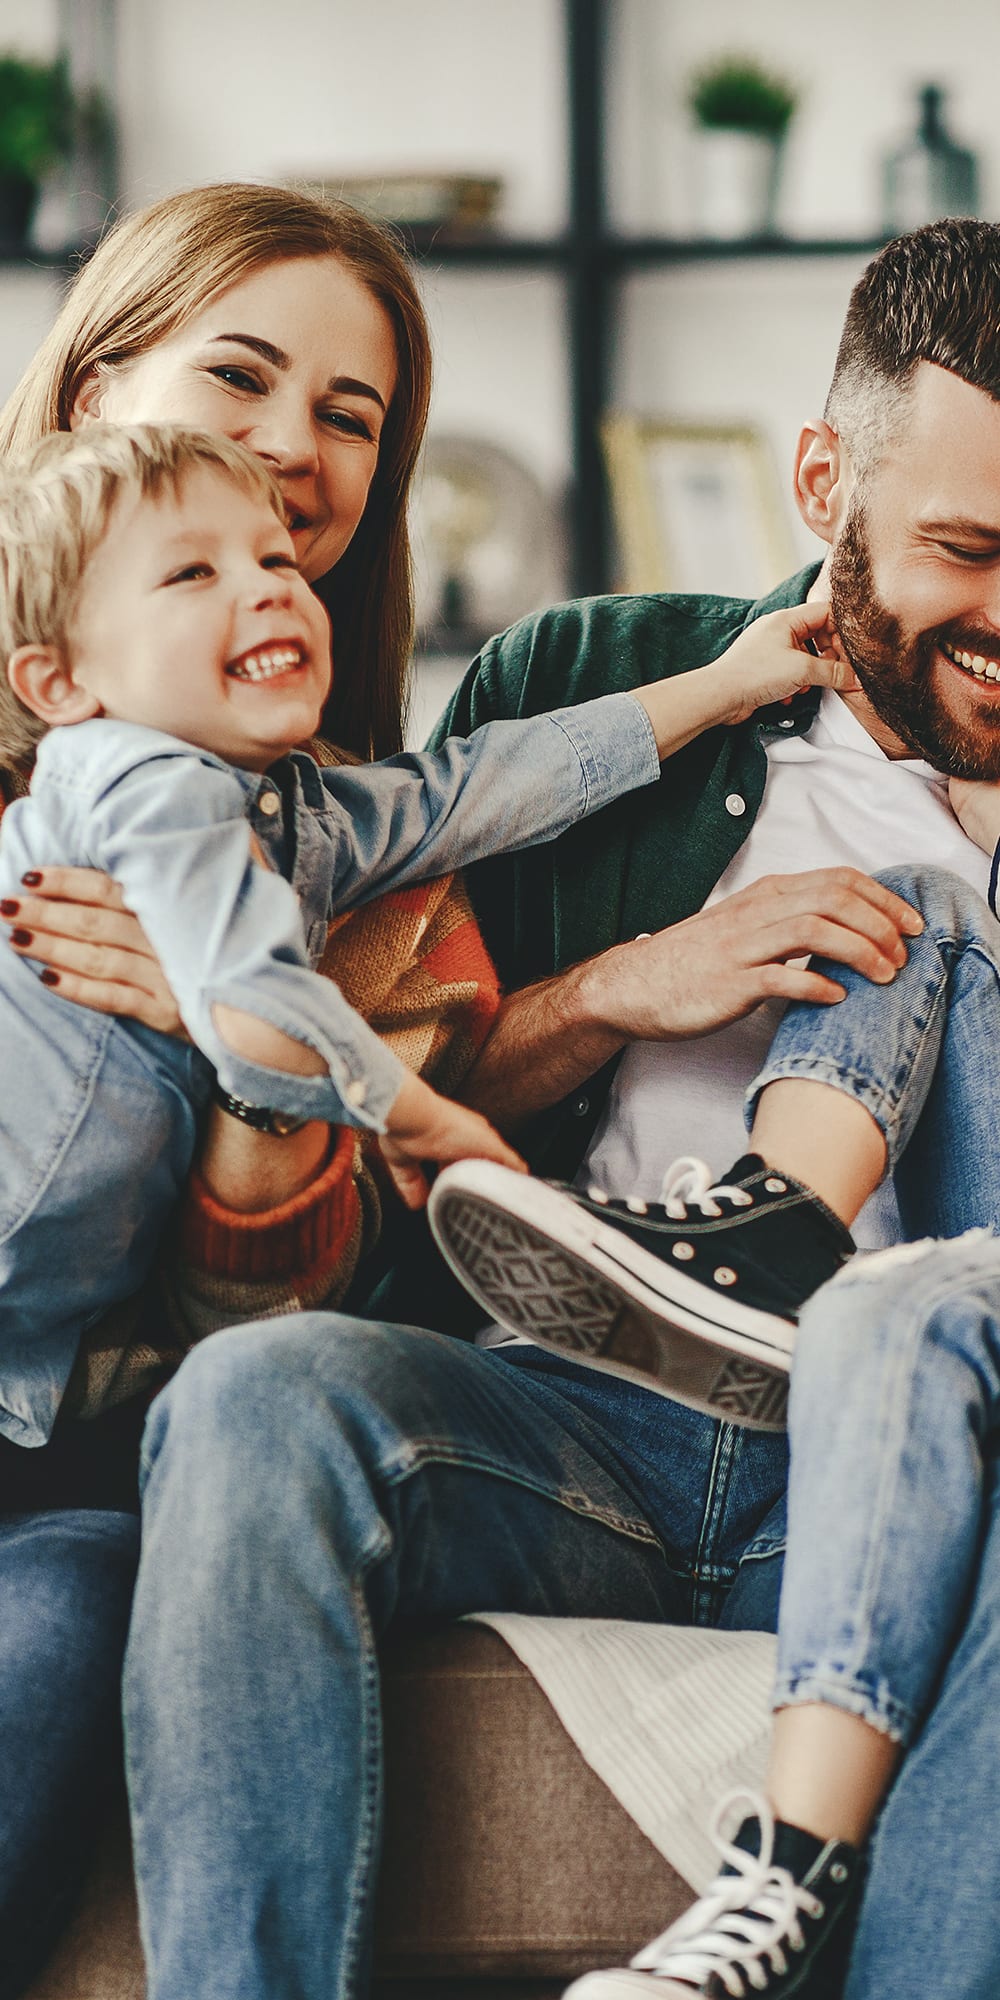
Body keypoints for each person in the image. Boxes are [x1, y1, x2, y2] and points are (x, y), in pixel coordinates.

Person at [104, 215, 1000, 2000]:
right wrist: (611, 993)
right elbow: (383, 1131)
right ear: (825, 479)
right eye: (970, 550)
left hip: (924, 1448)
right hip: (590, 1419)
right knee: (262, 1401)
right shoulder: (600, 684)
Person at [0, 418, 839, 1445]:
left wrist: (723, 684)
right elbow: (252, 997)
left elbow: (479, 785)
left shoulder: (292, 809)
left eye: (271, 557)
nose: (266, 585)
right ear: (61, 685)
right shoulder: (142, 780)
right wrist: (416, 1116)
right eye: (189, 573)